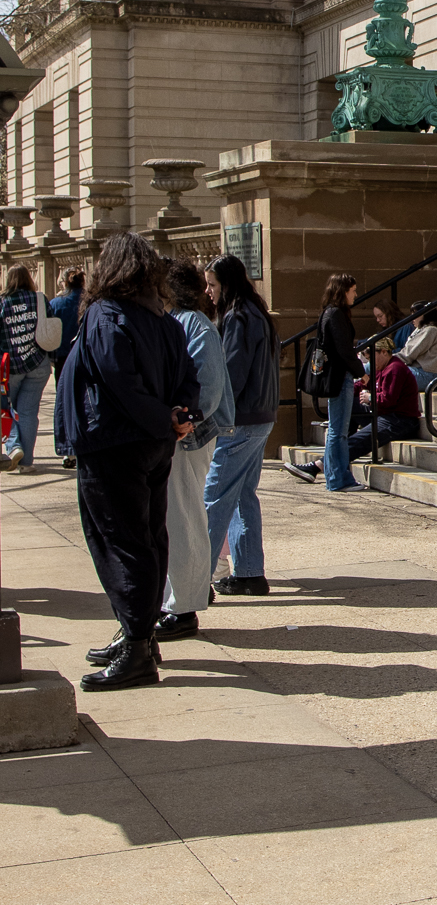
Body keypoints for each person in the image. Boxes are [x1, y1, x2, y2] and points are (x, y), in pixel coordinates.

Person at [56, 233, 199, 691]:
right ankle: (138, 636)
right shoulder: (164, 321)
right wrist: (177, 417)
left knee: (122, 542)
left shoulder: (106, 314)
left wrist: (166, 417)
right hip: (151, 444)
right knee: (148, 538)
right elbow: (186, 382)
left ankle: (138, 647)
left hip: (115, 444)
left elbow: (120, 381)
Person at [155, 259, 234, 642]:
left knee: (184, 517)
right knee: (179, 517)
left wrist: (185, 424)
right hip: (181, 435)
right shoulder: (182, 323)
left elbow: (209, 386)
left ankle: (183, 606)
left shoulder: (195, 325)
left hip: (189, 437)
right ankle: (182, 597)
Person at [203, 253, 282, 595]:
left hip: (240, 419)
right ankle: (250, 572)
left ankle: (194, 578)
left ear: (227, 284)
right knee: (240, 496)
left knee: (215, 496)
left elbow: (231, 375)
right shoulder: (257, 314)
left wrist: (209, 414)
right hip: (260, 416)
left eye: (212, 285)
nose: (208, 292)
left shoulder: (238, 317)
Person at [289, 340, 420, 475]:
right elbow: (366, 384)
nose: (370, 363)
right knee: (348, 404)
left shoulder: (394, 369)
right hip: (384, 413)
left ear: (384, 352)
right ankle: (341, 440)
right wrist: (343, 392)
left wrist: (370, 398)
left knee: (359, 439)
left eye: (372, 358)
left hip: (399, 420)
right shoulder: (381, 368)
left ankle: (318, 466)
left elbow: (388, 400)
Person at [0, 263, 53, 473]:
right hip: (38, 362)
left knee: (4, 408)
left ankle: (14, 447)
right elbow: (49, 327)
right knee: (29, 412)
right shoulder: (40, 299)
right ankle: (27, 463)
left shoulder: (3, 302)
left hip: (10, 366)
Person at [311, 272, 362, 491]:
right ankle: (339, 478)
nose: (355, 294)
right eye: (353, 290)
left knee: (336, 429)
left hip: (336, 376)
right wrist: (361, 371)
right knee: (338, 431)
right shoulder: (335, 315)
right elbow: (344, 350)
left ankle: (336, 477)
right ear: (343, 291)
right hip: (340, 377)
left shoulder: (330, 313)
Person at [49, 266, 87, 465]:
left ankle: (68, 451)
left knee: (64, 400)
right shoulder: (91, 301)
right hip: (85, 355)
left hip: (63, 357)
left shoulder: (56, 303)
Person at [397, 305, 437, 393]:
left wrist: (387, 360)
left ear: (425, 315)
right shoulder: (421, 330)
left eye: (415, 315)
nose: (412, 318)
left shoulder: (430, 330)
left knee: (391, 369)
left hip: (428, 375)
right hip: (421, 372)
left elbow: (408, 354)